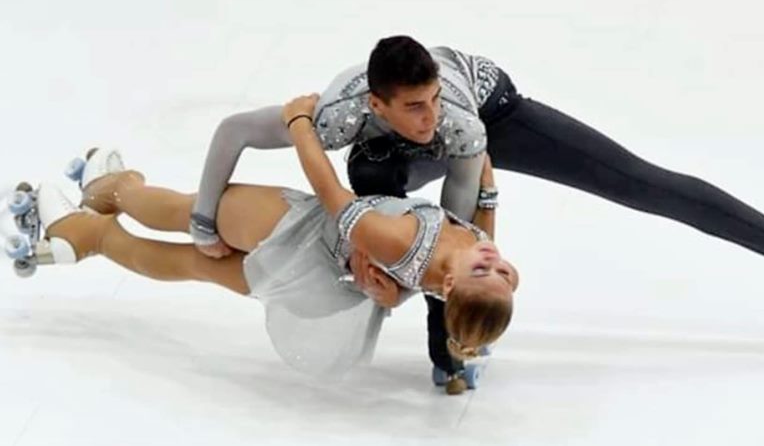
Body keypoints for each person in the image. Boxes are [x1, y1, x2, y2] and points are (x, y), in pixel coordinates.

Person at [185, 35, 764, 380]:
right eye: (412, 107)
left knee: (647, 185)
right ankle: (438, 344)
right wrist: (203, 217)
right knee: (370, 177)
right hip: (388, 165)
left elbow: (464, 228)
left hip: (499, 115)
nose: (427, 117)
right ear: (375, 104)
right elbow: (233, 133)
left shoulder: (458, 123)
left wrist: (446, 343)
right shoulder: (339, 115)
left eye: (431, 102)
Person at [5, 93, 516, 392]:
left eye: (483, 271)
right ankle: (94, 238)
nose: (494, 261)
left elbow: (332, 194)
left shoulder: (404, 239)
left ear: (450, 287)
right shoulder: (464, 260)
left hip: (293, 231)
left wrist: (300, 127)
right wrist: (485, 181)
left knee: (191, 212)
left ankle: (112, 190)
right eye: (503, 274)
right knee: (195, 266)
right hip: (315, 283)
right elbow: (477, 237)